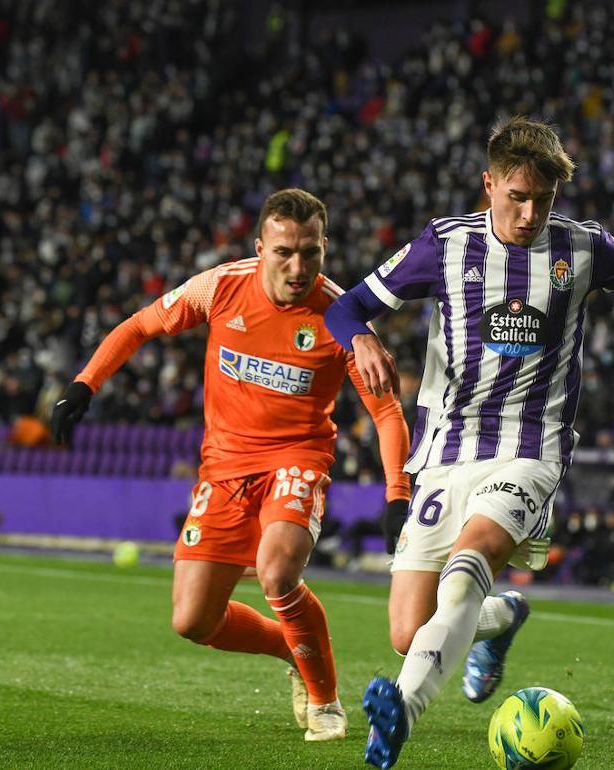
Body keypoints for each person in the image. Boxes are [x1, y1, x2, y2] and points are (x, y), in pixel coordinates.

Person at [324, 116, 614, 768]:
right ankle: (497, 618)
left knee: (473, 556)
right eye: (516, 197)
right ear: (488, 184)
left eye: (542, 200)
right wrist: (363, 337)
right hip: (444, 453)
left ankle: (400, 713)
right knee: (410, 631)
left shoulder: (582, 247)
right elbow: (344, 308)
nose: (528, 213)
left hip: (531, 446)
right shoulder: (443, 245)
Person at [50, 189, 412, 742]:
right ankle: (291, 649)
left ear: (325, 247)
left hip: (297, 459)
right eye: (284, 252)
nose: (298, 267)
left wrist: (396, 493)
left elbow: (386, 412)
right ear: (260, 246)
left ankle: (326, 702)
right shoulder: (219, 287)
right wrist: (84, 384)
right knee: (192, 620)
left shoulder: (343, 316)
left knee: (276, 570)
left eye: (311, 253)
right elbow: (140, 326)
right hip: (223, 470)